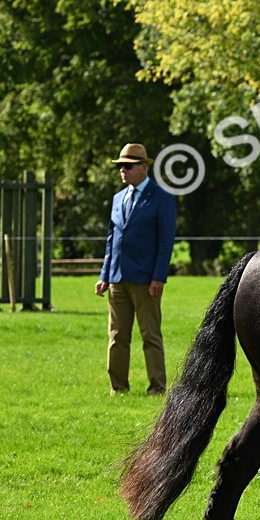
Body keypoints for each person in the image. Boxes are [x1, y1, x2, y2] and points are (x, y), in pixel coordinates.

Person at [95, 143, 178, 396]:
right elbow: (112, 240)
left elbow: (166, 241)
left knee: (150, 336)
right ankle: (118, 388)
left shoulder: (162, 197)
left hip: (146, 280)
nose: (123, 171)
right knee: (117, 336)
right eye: (120, 166)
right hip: (118, 279)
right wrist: (104, 275)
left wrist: (158, 277)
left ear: (143, 167)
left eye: (128, 166)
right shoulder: (118, 198)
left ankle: (157, 386)